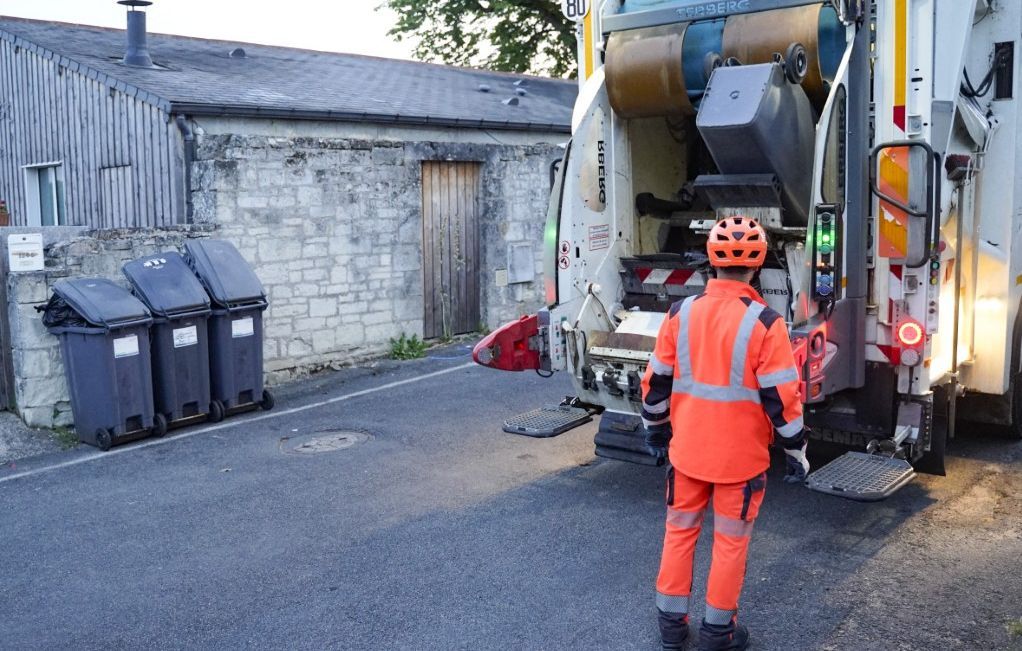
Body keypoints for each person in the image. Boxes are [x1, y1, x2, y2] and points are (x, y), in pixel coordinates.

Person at [640, 216, 808, 651]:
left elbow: (655, 383)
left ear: (710, 262)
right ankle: (718, 633)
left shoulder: (681, 313)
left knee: (679, 533)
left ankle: (671, 630)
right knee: (730, 544)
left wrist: (655, 432)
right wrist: (797, 452)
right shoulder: (766, 323)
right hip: (741, 461)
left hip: (688, 453)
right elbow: (783, 400)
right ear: (757, 267)